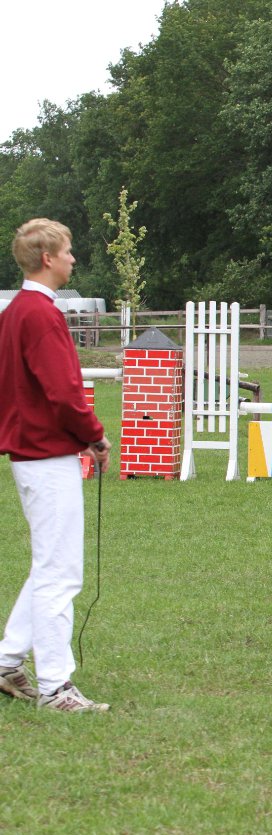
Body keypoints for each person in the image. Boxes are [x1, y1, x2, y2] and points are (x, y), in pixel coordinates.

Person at [0, 218, 111, 712]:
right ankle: (56, 687)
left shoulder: (16, 310)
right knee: (61, 574)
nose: (73, 259)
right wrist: (94, 437)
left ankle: (6, 662)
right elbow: (64, 392)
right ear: (47, 257)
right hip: (46, 455)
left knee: (48, 566)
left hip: (33, 452)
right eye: (68, 251)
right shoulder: (41, 314)